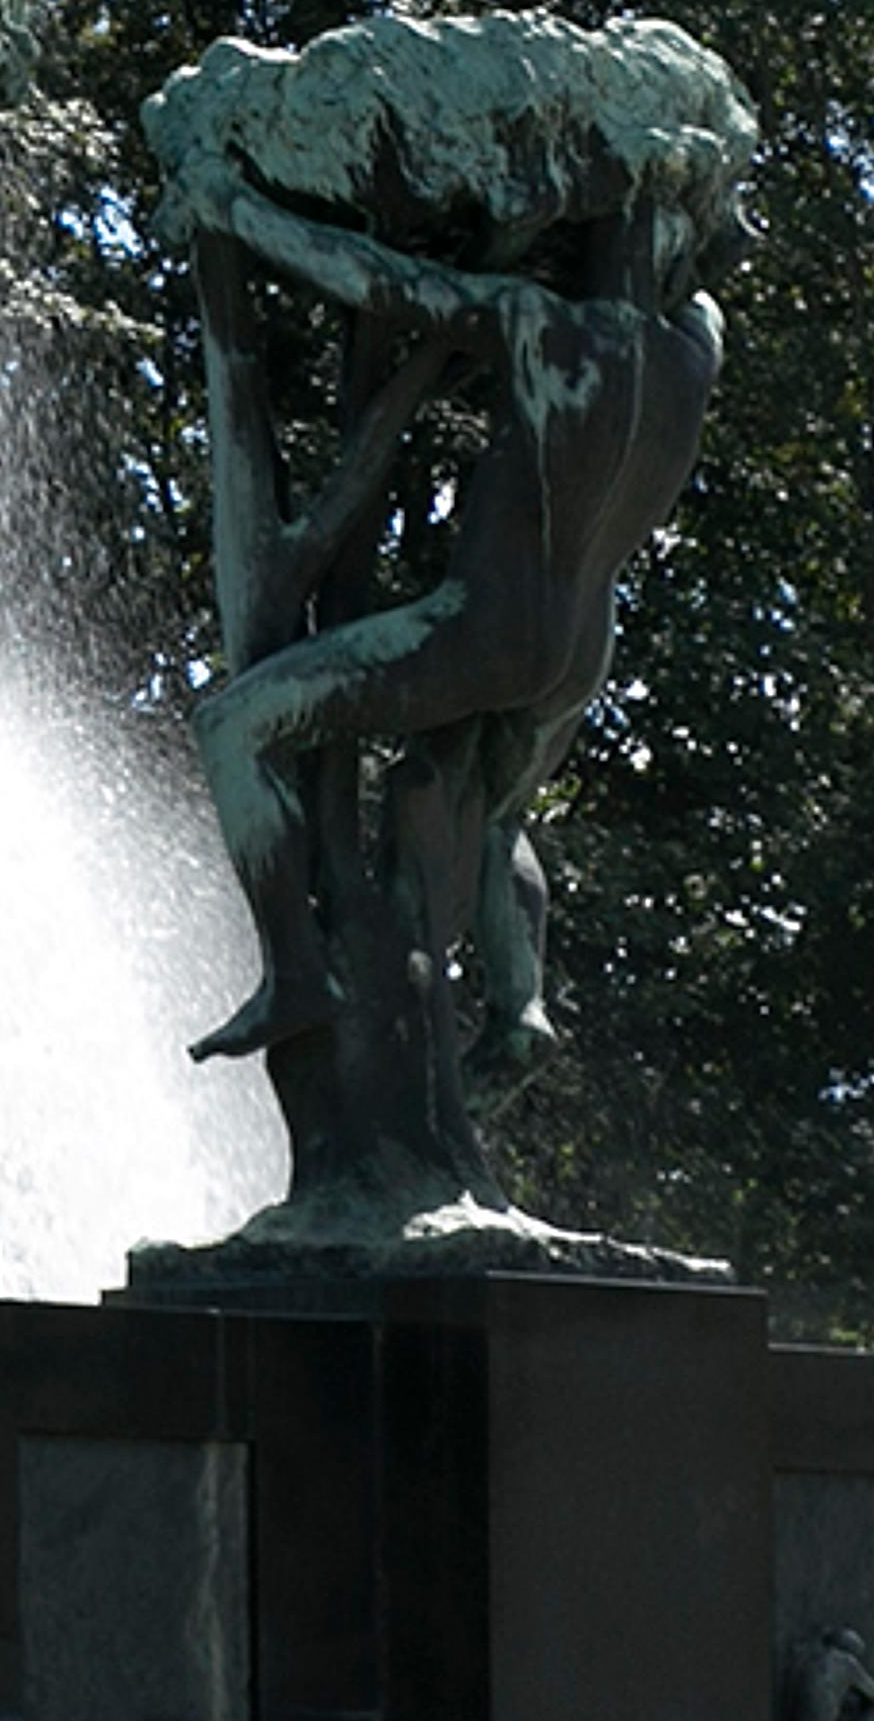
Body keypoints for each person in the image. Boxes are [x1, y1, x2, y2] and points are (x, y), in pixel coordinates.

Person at [182, 177, 724, 1073]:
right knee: (498, 817)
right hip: (583, 645)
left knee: (233, 726)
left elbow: (379, 280)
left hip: (490, 625)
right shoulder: (691, 356)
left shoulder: (539, 322)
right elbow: (705, 289)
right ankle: (519, 1006)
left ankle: (293, 969)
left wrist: (240, 213)